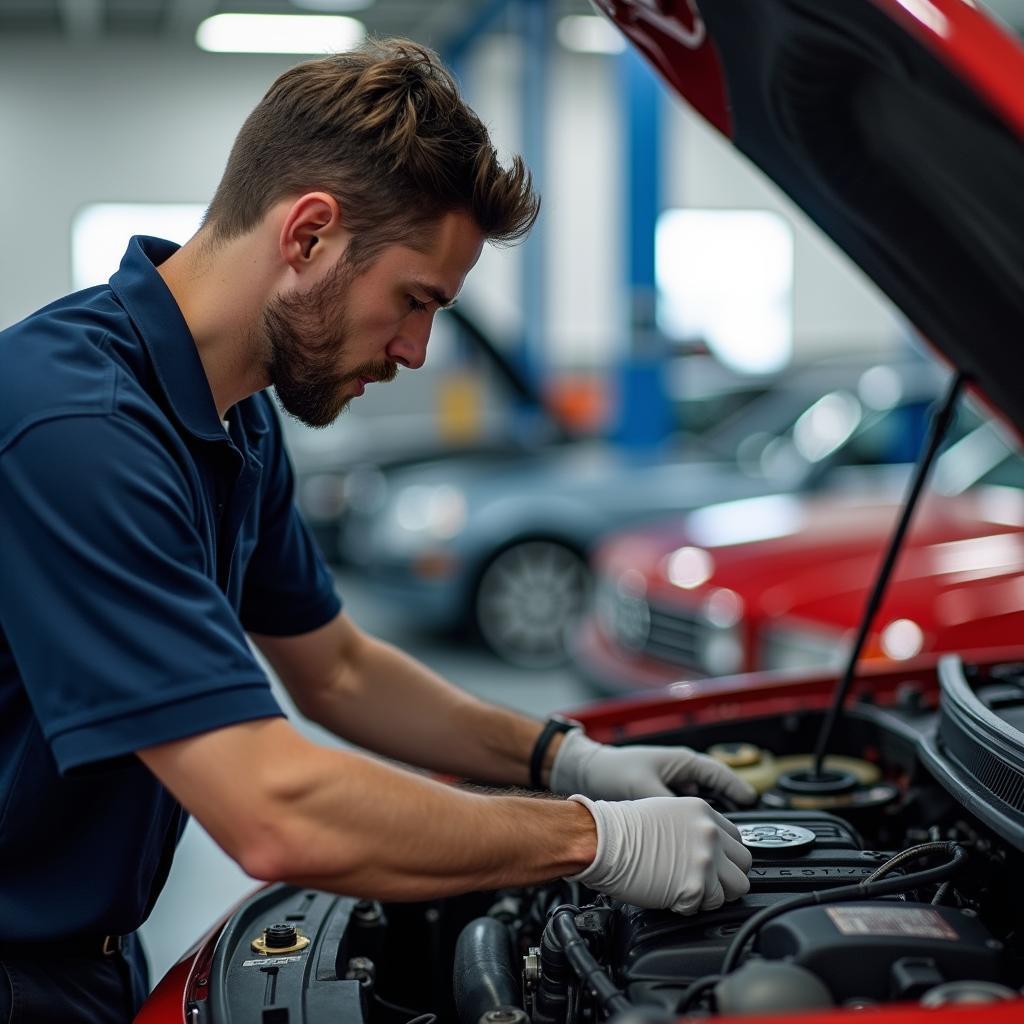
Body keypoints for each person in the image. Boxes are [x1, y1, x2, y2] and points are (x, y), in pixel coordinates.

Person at [0, 38, 755, 1023]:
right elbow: (271, 807)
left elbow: (339, 670)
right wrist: (593, 839)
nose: (415, 348)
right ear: (308, 234)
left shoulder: (239, 418)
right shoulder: (77, 426)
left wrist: (563, 756)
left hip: (89, 956)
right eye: (413, 300)